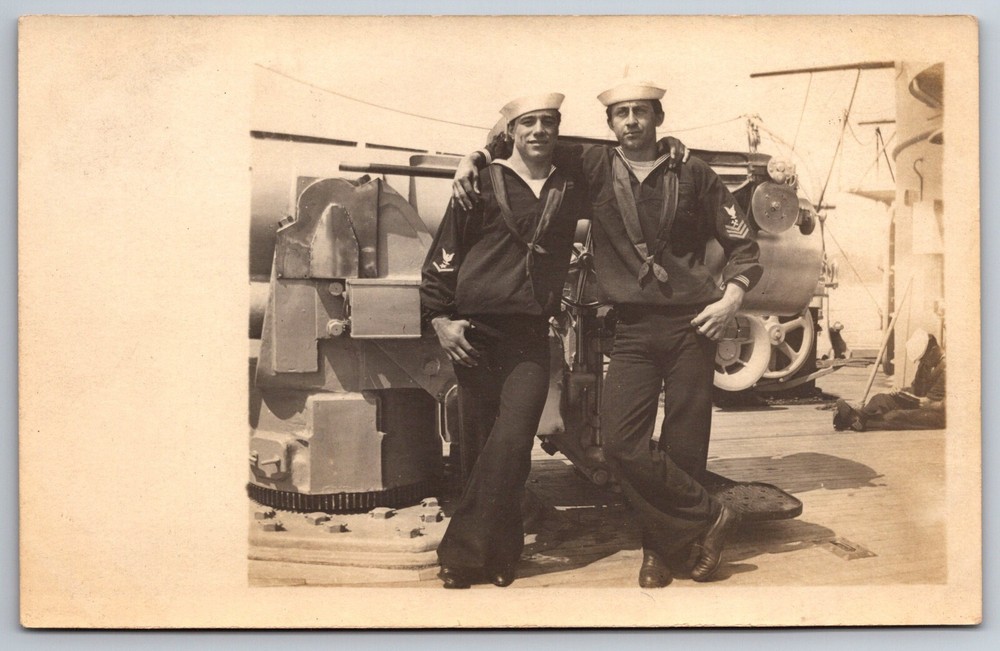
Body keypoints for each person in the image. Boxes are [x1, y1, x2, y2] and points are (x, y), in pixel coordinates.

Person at [452, 80, 762, 588]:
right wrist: (475, 158)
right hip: (632, 328)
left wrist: (730, 301)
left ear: (659, 118)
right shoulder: (594, 164)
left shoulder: (694, 171)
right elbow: (524, 140)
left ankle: (662, 550)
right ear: (610, 124)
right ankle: (710, 515)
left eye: (641, 111)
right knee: (621, 445)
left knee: (685, 443)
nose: (632, 121)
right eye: (621, 113)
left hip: (693, 325)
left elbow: (743, 246)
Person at [420, 93, 589, 589]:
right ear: (511, 131)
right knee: (480, 446)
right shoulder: (481, 182)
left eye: (548, 122)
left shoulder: (569, 184)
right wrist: (439, 319)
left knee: (513, 440)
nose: (538, 130)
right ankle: (500, 553)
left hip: (529, 334)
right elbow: (445, 253)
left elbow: (617, 156)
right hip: (475, 333)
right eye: (528, 122)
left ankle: (460, 553)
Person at [834, 328, 945, 432]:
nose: (922, 362)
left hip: (938, 414)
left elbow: (936, 404)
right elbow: (916, 389)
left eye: (923, 359)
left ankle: (859, 422)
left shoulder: (946, 368)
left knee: (895, 416)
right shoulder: (926, 365)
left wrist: (914, 399)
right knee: (880, 399)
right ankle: (856, 417)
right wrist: (901, 392)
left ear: (933, 350)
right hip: (922, 403)